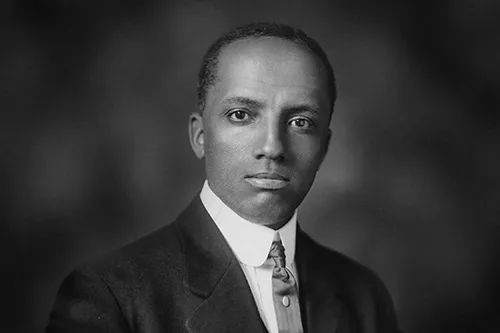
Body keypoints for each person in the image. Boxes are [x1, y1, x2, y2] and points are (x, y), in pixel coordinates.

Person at [46, 22, 401, 333]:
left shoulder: (363, 295)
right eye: (242, 114)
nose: (273, 146)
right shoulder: (110, 295)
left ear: (324, 147)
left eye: (300, 122)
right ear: (200, 137)